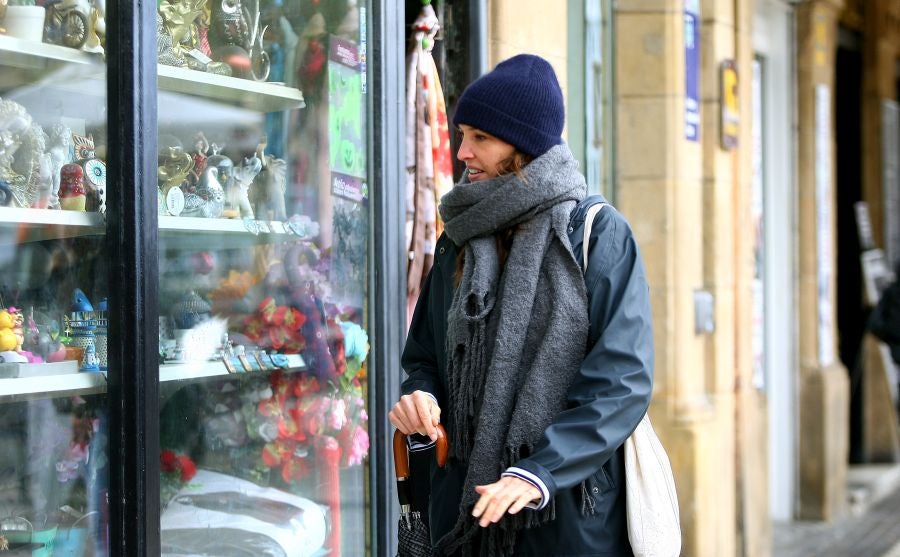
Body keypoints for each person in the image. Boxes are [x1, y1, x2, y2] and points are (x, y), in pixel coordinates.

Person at [389, 54, 654, 557]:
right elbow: (423, 356)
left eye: (481, 138)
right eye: (462, 134)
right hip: (463, 510)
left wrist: (538, 472)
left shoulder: (596, 234)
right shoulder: (458, 237)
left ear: (523, 146)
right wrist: (419, 396)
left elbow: (621, 380)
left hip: (565, 515)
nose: (462, 152)